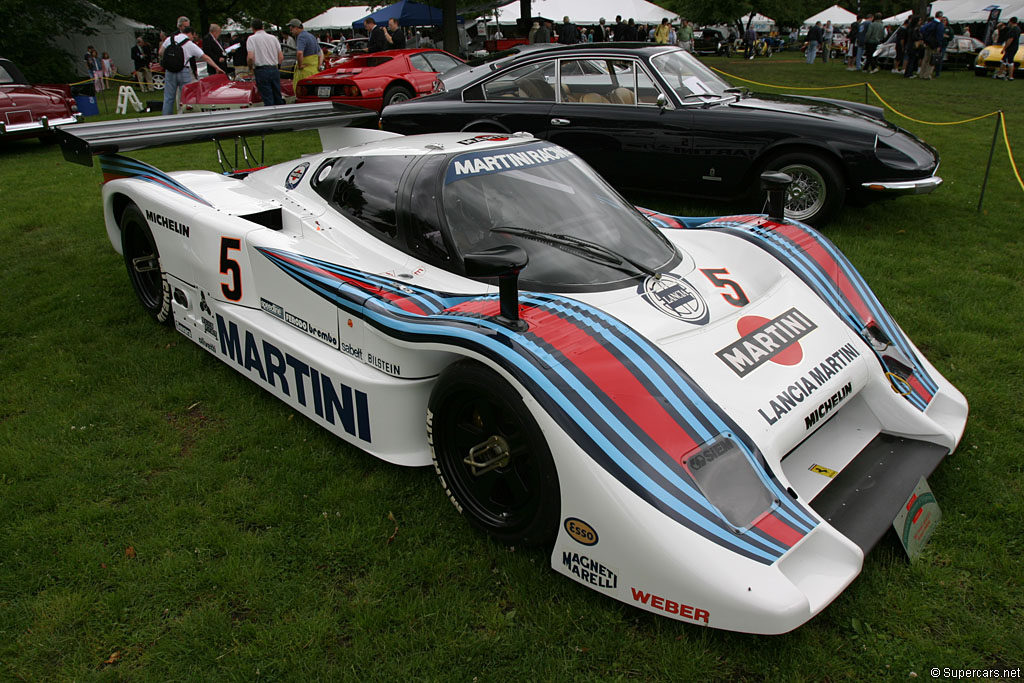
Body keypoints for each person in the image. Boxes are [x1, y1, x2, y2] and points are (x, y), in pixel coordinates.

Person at [160, 16, 224, 115]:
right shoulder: (189, 44)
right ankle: (185, 115)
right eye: (193, 36)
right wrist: (217, 67)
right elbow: (205, 57)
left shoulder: (169, 39)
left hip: (170, 71)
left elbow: (161, 52)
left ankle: (166, 117)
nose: (193, 38)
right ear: (191, 34)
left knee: (169, 97)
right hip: (184, 71)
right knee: (187, 96)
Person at [246, 19, 284, 106]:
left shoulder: (251, 39)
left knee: (267, 97)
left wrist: (250, 68)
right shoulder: (273, 38)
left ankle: (271, 116)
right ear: (263, 27)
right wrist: (277, 65)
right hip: (274, 68)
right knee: (278, 95)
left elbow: (250, 57)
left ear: (252, 28)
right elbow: (281, 57)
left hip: (261, 70)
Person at [288, 18, 321, 88]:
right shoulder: (311, 36)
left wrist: (300, 66)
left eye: (291, 30)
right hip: (314, 71)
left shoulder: (301, 37)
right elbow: (320, 52)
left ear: (296, 28)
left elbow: (299, 53)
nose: (291, 32)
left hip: (305, 72)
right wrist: (319, 65)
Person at [918, 15, 941, 79]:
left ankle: (922, 74)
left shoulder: (929, 24)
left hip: (927, 43)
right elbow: (939, 36)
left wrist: (925, 38)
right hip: (934, 44)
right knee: (932, 60)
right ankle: (927, 75)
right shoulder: (939, 25)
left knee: (925, 59)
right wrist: (939, 44)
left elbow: (922, 30)